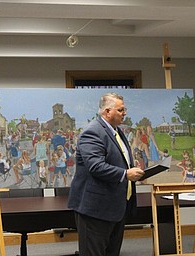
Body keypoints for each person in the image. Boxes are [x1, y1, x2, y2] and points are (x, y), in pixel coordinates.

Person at [68, 92, 144, 256]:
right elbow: (95, 166)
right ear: (107, 111)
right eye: (121, 110)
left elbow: (116, 159)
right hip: (95, 209)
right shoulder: (92, 132)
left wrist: (130, 168)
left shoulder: (117, 132)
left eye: (125, 109)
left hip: (115, 207)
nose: (125, 113)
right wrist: (125, 173)